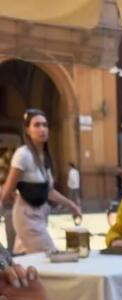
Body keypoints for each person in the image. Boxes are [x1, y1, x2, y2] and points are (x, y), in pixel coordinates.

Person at [0, 109, 81, 254]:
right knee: (50, 254)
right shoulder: (23, 155)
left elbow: (49, 191)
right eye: (37, 125)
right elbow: (7, 190)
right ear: (27, 130)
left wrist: (71, 205)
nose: (42, 129)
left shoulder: (45, 157)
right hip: (27, 217)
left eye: (45, 125)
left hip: (40, 216)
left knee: (26, 259)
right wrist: (14, 202)